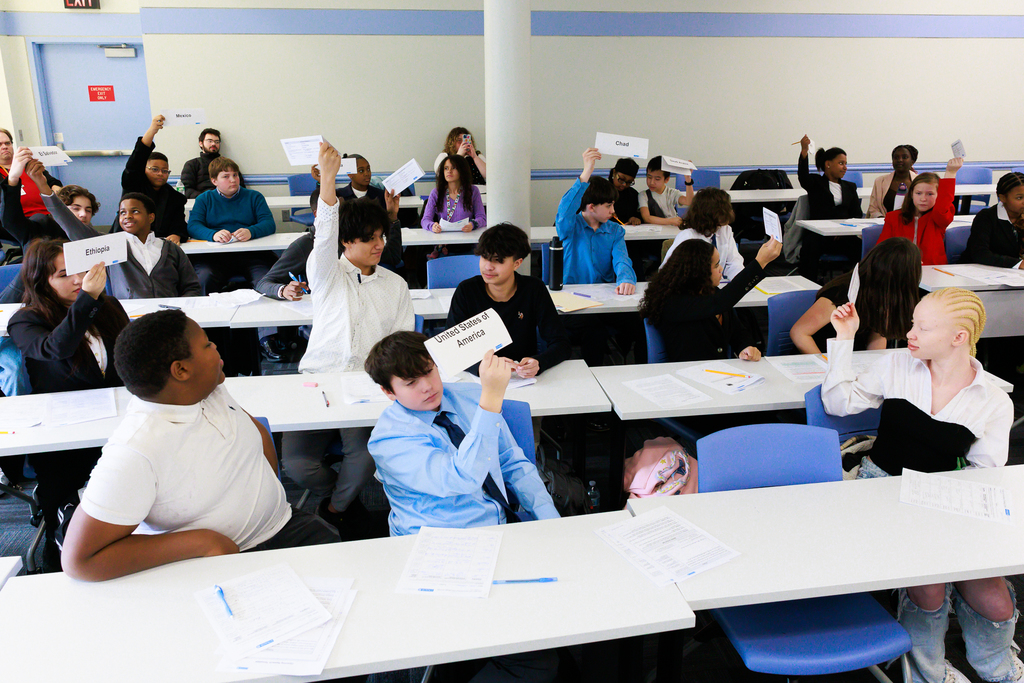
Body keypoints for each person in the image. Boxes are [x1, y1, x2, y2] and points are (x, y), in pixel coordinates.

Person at [822, 288, 1019, 683]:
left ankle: (1000, 670)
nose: (910, 333)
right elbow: (838, 403)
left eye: (923, 328)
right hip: (878, 489)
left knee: (996, 600)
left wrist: (951, 521)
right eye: (913, 323)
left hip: (946, 497)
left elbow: (984, 474)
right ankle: (927, 672)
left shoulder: (993, 400)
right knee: (929, 587)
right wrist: (844, 338)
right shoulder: (897, 365)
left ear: (958, 337)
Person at [59, 310, 339, 582]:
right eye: (207, 344)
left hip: (283, 524)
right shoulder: (135, 450)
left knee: (347, 574)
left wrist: (266, 493)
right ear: (181, 370)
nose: (215, 347)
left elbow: (254, 433)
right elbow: (79, 561)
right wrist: (203, 542)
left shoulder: (208, 388)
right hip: (218, 561)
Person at [365, 334, 559, 681]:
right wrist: (491, 401)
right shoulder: (388, 440)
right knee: (536, 662)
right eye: (410, 382)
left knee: (563, 623)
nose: (427, 387)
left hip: (498, 531)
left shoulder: (469, 396)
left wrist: (552, 524)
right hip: (439, 550)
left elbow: (513, 463)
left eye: (429, 371)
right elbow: (463, 478)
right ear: (388, 392)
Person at [284, 142, 414, 541]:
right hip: (319, 379)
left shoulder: (395, 285)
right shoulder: (326, 274)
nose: (379, 245)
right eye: (368, 239)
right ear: (346, 242)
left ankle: (335, 509)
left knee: (363, 460)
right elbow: (324, 235)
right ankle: (343, 498)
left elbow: (403, 343)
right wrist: (328, 179)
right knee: (296, 464)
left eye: (381, 236)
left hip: (366, 385)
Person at [7, 240, 129, 539]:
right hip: (61, 430)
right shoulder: (25, 319)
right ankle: (59, 544)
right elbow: (57, 348)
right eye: (64, 275)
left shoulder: (108, 306)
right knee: (64, 499)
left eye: (81, 271)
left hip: (117, 416)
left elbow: (131, 356)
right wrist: (87, 298)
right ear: (42, 281)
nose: (78, 280)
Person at [446, 222, 570, 378]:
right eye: (484, 257)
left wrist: (539, 362)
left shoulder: (533, 289)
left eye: (498, 260)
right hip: (480, 378)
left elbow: (561, 343)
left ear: (517, 263)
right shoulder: (467, 290)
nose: (488, 266)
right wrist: (483, 367)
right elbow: (450, 349)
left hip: (523, 378)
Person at [556, 148, 640, 368]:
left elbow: (622, 260)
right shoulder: (570, 227)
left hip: (604, 300)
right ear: (592, 207)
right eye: (609, 205)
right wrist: (586, 172)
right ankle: (593, 377)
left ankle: (639, 369)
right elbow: (564, 211)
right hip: (573, 302)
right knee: (595, 331)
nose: (613, 210)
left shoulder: (615, 231)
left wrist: (626, 279)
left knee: (640, 322)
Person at [640, 238, 780, 362]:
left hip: (720, 373)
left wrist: (745, 347)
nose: (721, 269)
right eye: (716, 265)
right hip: (689, 374)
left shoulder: (711, 292)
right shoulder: (674, 302)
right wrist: (760, 262)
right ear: (698, 272)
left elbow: (737, 331)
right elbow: (720, 302)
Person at [255, 185, 403, 301]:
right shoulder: (305, 245)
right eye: (334, 210)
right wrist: (283, 290)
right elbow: (264, 283)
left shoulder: (355, 238)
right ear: (317, 214)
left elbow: (393, 257)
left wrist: (392, 216)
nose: (341, 215)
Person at [790, 237, 922, 354]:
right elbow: (799, 333)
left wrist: (875, 367)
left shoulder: (884, 296)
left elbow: (877, 336)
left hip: (849, 361)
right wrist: (827, 366)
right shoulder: (840, 295)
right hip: (820, 359)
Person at [186, 156, 276, 293]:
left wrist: (251, 231)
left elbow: (269, 223)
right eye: (226, 176)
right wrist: (213, 234)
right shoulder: (204, 199)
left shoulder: (254, 196)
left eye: (235, 175)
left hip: (252, 254)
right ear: (214, 181)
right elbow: (193, 226)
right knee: (204, 279)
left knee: (266, 282)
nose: (233, 180)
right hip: (214, 256)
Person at [796, 135, 864, 281]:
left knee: (862, 248)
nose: (845, 167)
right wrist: (804, 151)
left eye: (845, 164)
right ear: (828, 164)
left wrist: (842, 229)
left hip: (843, 235)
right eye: (841, 163)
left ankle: (859, 284)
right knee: (810, 246)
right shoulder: (815, 183)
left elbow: (856, 214)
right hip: (819, 235)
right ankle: (808, 284)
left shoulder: (850, 187)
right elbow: (803, 176)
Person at [114, 115, 188, 244]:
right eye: (154, 169)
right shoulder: (133, 184)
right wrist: (153, 130)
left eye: (164, 171)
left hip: (158, 245)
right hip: (127, 243)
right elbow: (137, 159)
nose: (160, 174)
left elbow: (179, 223)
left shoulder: (175, 197)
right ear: (144, 169)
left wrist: (176, 234)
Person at [877, 159, 963, 266]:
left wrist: (950, 173)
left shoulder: (938, 218)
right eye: (918, 193)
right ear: (911, 194)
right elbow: (882, 249)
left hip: (933, 270)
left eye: (930, 194)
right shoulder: (893, 217)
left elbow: (942, 207)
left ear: (939, 196)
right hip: (901, 269)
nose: (923, 199)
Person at [662, 187, 744, 280]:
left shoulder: (725, 230)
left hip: (718, 283)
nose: (729, 213)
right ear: (710, 214)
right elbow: (668, 272)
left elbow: (734, 262)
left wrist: (740, 280)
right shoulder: (687, 237)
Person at [0, 127, 62, 231]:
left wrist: (58, 191)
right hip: (22, 221)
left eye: (7, 143)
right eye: (0, 144)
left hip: (51, 214)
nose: (5, 147)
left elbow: (52, 182)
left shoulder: (27, 163)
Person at [962, 171, 1024, 269]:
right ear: (1002, 198)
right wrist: (1018, 264)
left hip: (1013, 273)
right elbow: (980, 254)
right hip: (979, 271)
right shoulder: (986, 217)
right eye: (1019, 198)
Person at [421, 154, 486, 234]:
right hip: (442, 238)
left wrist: (473, 225)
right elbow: (425, 220)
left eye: (454, 168)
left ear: (462, 170)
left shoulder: (473, 191)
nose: (449, 171)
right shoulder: (436, 193)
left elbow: (482, 218)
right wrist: (432, 226)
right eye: (446, 168)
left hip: (466, 236)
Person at [179, 128, 245, 198]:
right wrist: (206, 198)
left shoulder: (228, 164)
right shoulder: (192, 164)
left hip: (227, 200)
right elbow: (186, 190)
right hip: (202, 201)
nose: (213, 144)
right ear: (201, 143)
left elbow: (241, 187)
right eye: (210, 141)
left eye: (217, 142)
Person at [637, 155, 694, 226]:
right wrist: (670, 221)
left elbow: (689, 202)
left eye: (657, 179)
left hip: (672, 230)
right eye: (649, 177)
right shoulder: (643, 195)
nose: (652, 182)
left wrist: (688, 180)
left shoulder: (672, 193)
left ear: (666, 179)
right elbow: (647, 218)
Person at [867, 144, 918, 218]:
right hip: (884, 222)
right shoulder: (880, 181)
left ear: (912, 161)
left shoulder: (920, 181)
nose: (900, 160)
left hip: (914, 223)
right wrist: (884, 220)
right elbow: (873, 208)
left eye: (904, 157)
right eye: (896, 157)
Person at [608, 158, 641, 225]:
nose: (624, 184)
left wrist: (635, 218)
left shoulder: (633, 195)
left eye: (629, 182)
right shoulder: (601, 191)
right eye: (621, 179)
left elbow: (638, 214)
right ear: (614, 173)